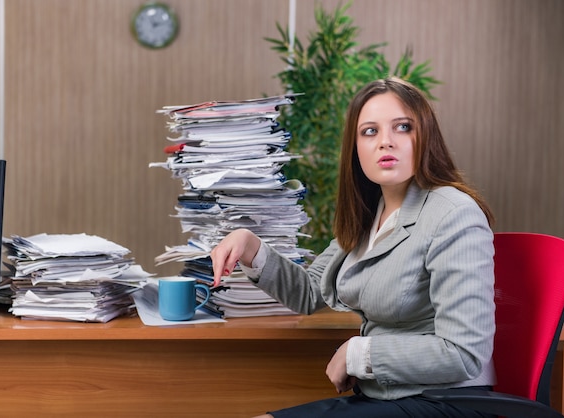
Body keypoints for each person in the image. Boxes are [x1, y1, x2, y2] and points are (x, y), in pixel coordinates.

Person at [210, 77, 497, 418]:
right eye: (370, 131)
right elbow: (309, 292)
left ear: (425, 136)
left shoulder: (453, 213)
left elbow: (463, 353)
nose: (385, 142)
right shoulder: (370, 215)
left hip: (446, 401)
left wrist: (358, 354)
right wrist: (250, 246)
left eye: (402, 127)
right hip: (385, 396)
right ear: (355, 146)